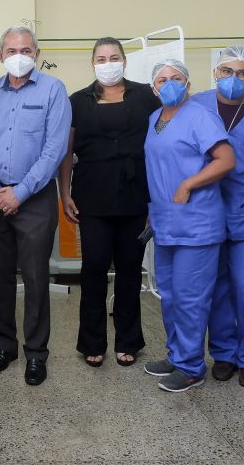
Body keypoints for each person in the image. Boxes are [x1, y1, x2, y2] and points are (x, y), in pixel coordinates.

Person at [60, 37, 160, 369]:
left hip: (136, 194)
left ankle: (129, 340)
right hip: (92, 194)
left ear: (124, 61)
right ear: (93, 64)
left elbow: (162, 143)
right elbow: (66, 151)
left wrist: (155, 201)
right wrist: (64, 191)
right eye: (101, 58)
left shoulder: (146, 95)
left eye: (114, 57)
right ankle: (92, 341)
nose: (108, 63)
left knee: (131, 270)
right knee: (93, 269)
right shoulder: (78, 101)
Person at [0, 26, 71, 386]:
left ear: (36, 53)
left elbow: (55, 149)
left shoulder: (53, 90)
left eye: (26, 49)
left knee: (35, 278)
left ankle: (36, 352)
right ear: (0, 55)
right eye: (12, 49)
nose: (19, 55)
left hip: (35, 199)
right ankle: (4, 345)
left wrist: (20, 192)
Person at [142, 59, 235, 392]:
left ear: (188, 84)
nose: (169, 84)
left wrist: (188, 185)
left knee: (190, 297)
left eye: (176, 78)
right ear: (154, 88)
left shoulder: (200, 116)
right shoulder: (155, 119)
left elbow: (227, 159)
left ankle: (192, 367)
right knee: (169, 294)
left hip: (197, 222)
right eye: (162, 79)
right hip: (166, 221)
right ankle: (177, 355)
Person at [190, 45, 244, 388]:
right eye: (227, 71)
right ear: (215, 73)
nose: (234, 79)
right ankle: (224, 354)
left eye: (242, 73)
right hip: (206, 213)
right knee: (217, 289)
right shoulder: (196, 106)